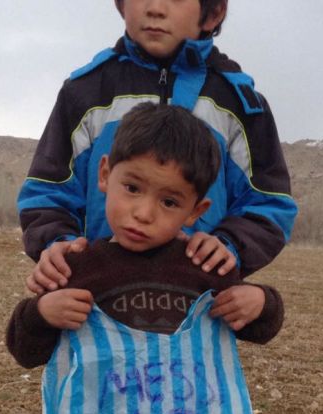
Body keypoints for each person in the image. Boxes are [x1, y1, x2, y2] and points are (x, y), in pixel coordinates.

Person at [7, 102, 285, 414]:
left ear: (196, 211)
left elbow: (261, 326)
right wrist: (43, 313)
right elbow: (25, 349)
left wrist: (260, 300)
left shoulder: (204, 266)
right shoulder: (76, 266)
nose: (143, 212)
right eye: (132, 187)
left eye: (169, 200)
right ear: (105, 173)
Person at [18, 0, 297, 300]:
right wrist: (58, 244)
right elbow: (47, 191)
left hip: (195, 304)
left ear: (212, 13)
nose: (155, 8)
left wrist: (229, 245)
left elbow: (270, 204)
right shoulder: (84, 92)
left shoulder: (240, 104)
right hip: (95, 300)